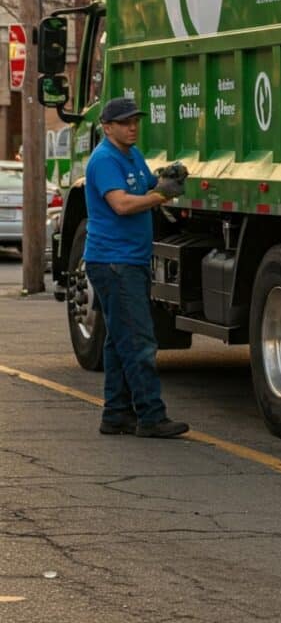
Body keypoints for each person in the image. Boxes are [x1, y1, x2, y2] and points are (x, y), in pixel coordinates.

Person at [84, 97, 190, 438]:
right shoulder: (104, 160)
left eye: (135, 120)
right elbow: (122, 204)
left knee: (118, 340)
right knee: (140, 341)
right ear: (107, 125)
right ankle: (151, 416)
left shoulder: (132, 154)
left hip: (129, 260)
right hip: (114, 263)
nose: (133, 126)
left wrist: (164, 178)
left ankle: (116, 415)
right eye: (125, 121)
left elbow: (146, 185)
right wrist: (162, 196)